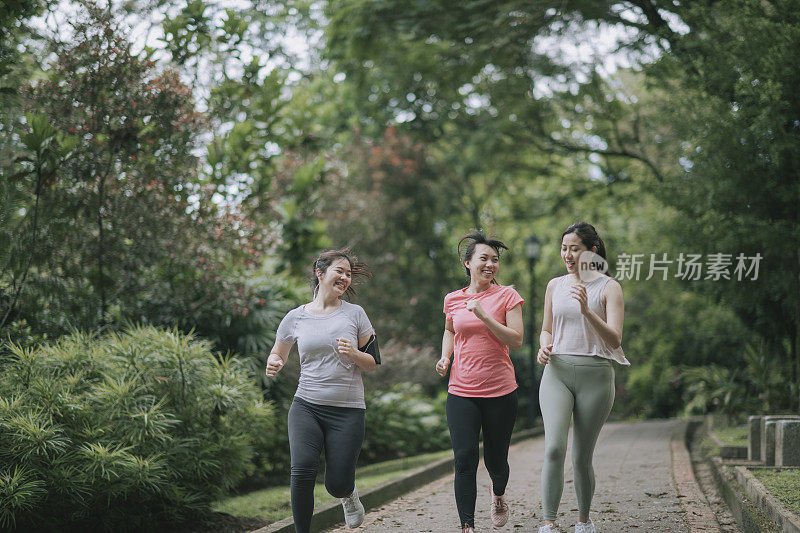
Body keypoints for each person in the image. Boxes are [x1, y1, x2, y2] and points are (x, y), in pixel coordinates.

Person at [265, 249, 381, 533]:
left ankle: (348, 494)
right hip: (306, 405)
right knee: (302, 471)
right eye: (339, 271)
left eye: (348, 273)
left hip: (348, 410)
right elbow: (278, 353)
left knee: (337, 483)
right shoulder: (295, 317)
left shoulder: (355, 314)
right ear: (320, 273)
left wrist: (354, 353)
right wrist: (274, 362)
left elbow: (373, 363)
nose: (345, 277)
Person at [536, 222, 630, 533]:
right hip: (557, 373)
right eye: (564, 248)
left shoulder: (608, 287)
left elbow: (615, 339)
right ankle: (549, 523)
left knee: (581, 457)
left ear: (591, 250)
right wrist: (543, 346)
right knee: (553, 448)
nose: (567, 254)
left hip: (596, 376)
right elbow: (547, 328)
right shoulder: (555, 285)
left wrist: (588, 311)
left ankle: (583, 521)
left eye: (574, 248)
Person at [435, 230, 525, 533]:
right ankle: (467, 526)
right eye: (484, 258)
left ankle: (498, 495)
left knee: (496, 462)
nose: (490, 264)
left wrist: (485, 315)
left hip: (500, 390)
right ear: (467, 263)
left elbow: (517, 340)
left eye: (495, 260)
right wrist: (445, 357)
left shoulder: (507, 296)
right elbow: (450, 329)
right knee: (464, 459)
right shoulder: (453, 299)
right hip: (461, 390)